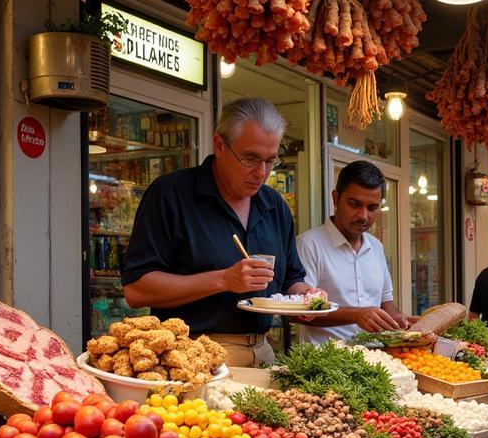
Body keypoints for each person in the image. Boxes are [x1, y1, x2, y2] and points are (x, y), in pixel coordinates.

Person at [121, 97, 323, 366]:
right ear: (219, 145)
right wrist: (224, 280)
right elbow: (136, 290)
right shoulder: (171, 194)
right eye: (250, 158)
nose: (261, 173)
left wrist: (306, 296)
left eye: (270, 161)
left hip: (263, 351)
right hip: (191, 354)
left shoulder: (275, 205)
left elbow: (290, 280)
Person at [295, 161, 411, 344]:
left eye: (372, 208)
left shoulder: (376, 247)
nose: (363, 215)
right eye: (354, 204)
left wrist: (401, 320)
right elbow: (297, 312)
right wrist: (356, 315)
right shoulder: (309, 244)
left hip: (376, 360)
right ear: (335, 199)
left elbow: (386, 303)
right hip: (324, 363)